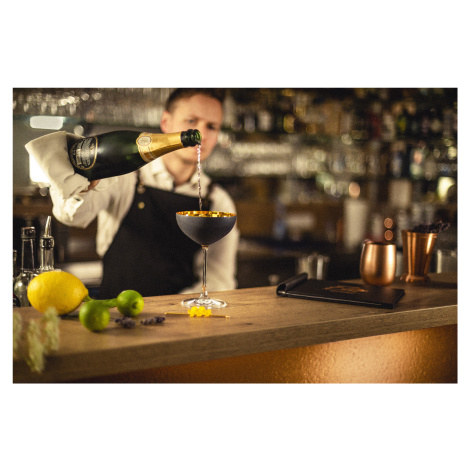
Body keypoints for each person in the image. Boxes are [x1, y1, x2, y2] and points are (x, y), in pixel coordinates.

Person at [28, 88, 239, 299]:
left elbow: (219, 279)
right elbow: (73, 216)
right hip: (114, 310)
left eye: (212, 126)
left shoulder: (217, 200)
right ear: (166, 122)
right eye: (191, 121)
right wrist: (82, 185)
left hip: (180, 315)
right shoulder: (125, 174)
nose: (202, 134)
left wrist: (172, 310)